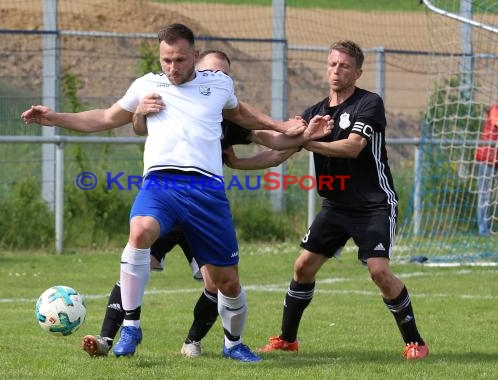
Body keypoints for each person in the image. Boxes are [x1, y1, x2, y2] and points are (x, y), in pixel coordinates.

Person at [22, 23, 331, 362]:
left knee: (228, 283)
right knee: (139, 231)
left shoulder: (218, 85)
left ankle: (233, 344)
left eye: (180, 60)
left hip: (207, 191)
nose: (172, 67)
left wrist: (285, 127)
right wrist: (55, 117)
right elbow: (105, 117)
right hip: (162, 183)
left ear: (195, 57)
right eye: (166, 60)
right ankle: (130, 326)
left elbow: (244, 114)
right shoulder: (146, 86)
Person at [259, 40, 430, 360]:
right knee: (302, 267)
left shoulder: (369, 104)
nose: (336, 70)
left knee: (379, 271)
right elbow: (279, 147)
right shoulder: (314, 113)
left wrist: (308, 142)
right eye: (332, 64)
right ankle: (287, 339)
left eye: (344, 66)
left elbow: (352, 147)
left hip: (374, 205)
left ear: (358, 72)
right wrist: (242, 144)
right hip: (335, 206)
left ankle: (415, 342)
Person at [474, 103, 498, 236]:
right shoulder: (496, 109)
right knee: (485, 195)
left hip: (495, 160)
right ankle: (483, 230)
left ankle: (486, 229)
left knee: (489, 196)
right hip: (486, 159)